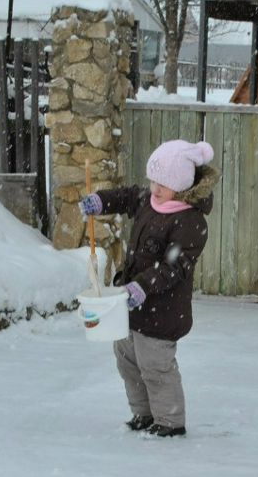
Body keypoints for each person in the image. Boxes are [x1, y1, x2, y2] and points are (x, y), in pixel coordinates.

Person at [80, 139, 218, 438]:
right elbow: (126, 196)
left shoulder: (190, 222)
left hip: (163, 310)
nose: (155, 188)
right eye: (153, 180)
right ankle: (143, 413)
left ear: (181, 187)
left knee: (155, 365)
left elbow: (175, 267)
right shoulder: (148, 200)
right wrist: (101, 201)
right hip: (131, 305)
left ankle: (170, 421)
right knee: (127, 358)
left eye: (163, 184)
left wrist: (143, 286)